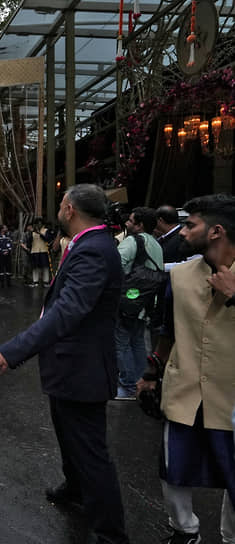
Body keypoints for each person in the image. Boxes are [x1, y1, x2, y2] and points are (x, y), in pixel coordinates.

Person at [0, 184, 129, 544]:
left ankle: (111, 534)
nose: (58, 211)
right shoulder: (87, 243)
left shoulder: (93, 250)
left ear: (70, 208)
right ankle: (75, 488)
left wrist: (12, 350)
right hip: (69, 366)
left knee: (91, 452)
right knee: (68, 435)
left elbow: (67, 312)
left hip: (83, 369)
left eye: (61, 205)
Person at [138, 194, 235, 544]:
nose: (182, 231)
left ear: (216, 231)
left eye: (191, 224)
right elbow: (168, 330)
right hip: (185, 388)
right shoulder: (178, 277)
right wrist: (152, 372)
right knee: (172, 468)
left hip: (232, 397)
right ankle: (184, 530)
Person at [114, 207, 164, 400]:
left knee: (121, 344)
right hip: (146, 302)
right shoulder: (156, 244)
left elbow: (114, 265)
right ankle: (139, 384)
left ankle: (127, 386)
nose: (127, 223)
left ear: (140, 225)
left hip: (128, 302)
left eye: (131, 221)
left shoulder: (133, 241)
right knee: (137, 342)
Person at [29, 218, 54, 286]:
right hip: (34, 251)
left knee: (45, 266)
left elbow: (48, 239)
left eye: (40, 223)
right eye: (37, 224)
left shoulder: (46, 231)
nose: (38, 225)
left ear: (43, 224)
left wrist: (40, 233)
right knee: (35, 267)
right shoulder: (32, 232)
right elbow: (29, 242)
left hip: (44, 250)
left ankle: (46, 281)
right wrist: (30, 232)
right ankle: (35, 281)